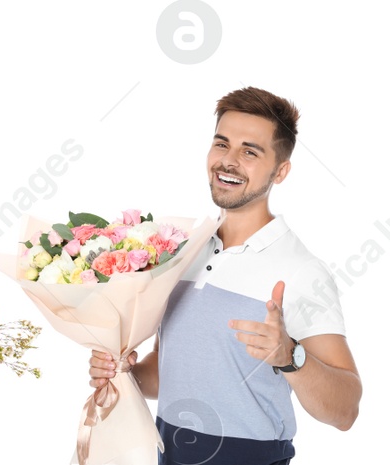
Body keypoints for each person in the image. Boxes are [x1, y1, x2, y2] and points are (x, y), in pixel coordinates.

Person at [90, 87, 361, 464]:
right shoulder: (183, 252)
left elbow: (346, 410)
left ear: (280, 171)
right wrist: (123, 372)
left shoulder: (301, 270)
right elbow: (168, 374)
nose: (229, 161)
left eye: (250, 152)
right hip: (168, 452)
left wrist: (290, 356)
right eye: (222, 144)